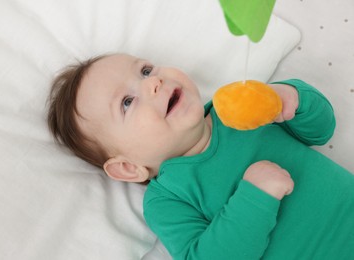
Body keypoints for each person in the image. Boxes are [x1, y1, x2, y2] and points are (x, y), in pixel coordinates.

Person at [47, 53, 354, 259]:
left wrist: (290, 98)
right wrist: (255, 198)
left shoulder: (235, 109)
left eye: (145, 70)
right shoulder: (166, 199)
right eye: (127, 102)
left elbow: (320, 130)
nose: (152, 82)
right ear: (128, 167)